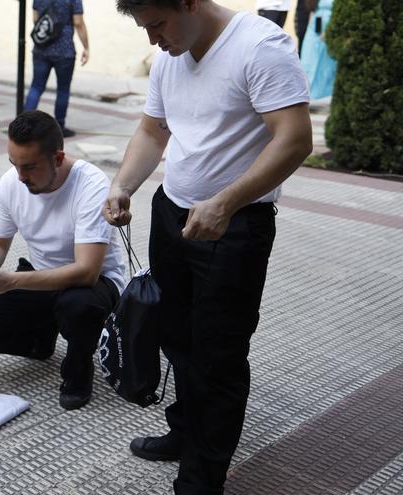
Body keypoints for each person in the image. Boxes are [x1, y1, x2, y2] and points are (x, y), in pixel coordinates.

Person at [105, 1, 312, 493]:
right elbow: (153, 130)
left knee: (217, 355)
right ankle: (184, 430)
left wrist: (227, 201)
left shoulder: (260, 47)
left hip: (234, 227)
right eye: (144, 27)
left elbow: (295, 138)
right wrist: (123, 185)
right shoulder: (170, 57)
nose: (153, 39)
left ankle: (201, 477)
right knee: (176, 336)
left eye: (157, 23)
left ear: (190, 3)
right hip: (172, 214)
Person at [0, 110, 125, 411]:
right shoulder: (11, 183)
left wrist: (12, 281)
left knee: (78, 306)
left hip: (95, 284)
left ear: (58, 158)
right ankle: (41, 339)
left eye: (29, 167)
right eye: (14, 164)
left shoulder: (92, 184)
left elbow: (86, 271)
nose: (20, 176)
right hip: (42, 276)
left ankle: (78, 370)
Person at [24, 0, 90, 138]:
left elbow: (36, 19)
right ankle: (59, 126)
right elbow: (78, 22)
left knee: (36, 86)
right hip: (64, 51)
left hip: (41, 48)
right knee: (63, 89)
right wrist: (86, 47)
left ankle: (24, 125)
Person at [299, 0, 336, 99]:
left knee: (325, 64)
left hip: (331, 25)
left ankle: (321, 96)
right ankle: (304, 96)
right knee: (308, 59)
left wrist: (330, 29)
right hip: (314, 26)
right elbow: (311, 9)